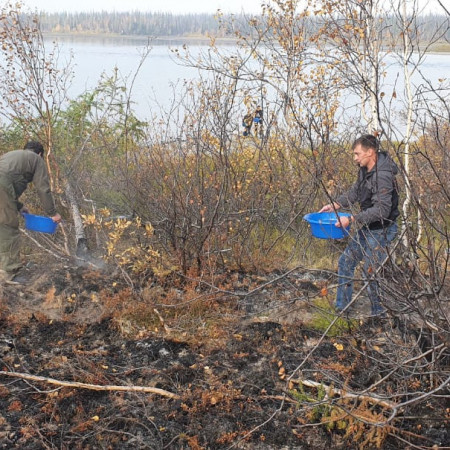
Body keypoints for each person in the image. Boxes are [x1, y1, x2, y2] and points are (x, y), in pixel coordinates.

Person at [319, 134, 399, 317]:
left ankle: (379, 315)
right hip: (369, 227)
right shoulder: (365, 170)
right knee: (345, 262)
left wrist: (352, 219)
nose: (355, 158)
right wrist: (335, 205)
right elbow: (355, 192)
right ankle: (342, 309)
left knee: (369, 271)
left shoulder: (383, 176)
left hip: (383, 229)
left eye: (357, 153)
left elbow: (382, 210)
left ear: (370, 152)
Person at [0, 141, 61, 284]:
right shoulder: (36, 159)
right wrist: (52, 213)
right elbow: (43, 189)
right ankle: (9, 273)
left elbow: (8, 189)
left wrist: (19, 206)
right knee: (8, 227)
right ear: (39, 153)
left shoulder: (12, 155)